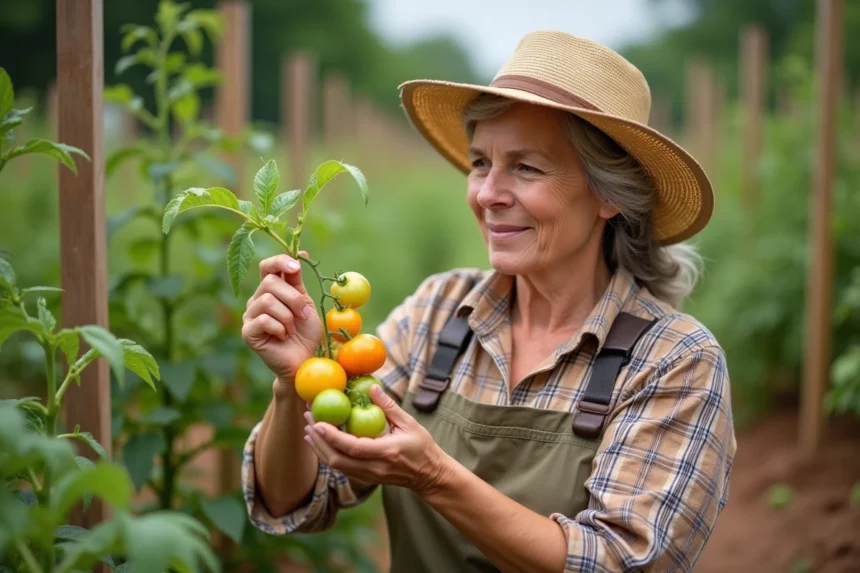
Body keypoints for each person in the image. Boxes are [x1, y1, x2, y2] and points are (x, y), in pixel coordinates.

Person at [239, 30, 736, 572]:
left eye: (526, 167)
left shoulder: (673, 360)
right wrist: (292, 387)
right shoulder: (439, 311)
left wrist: (434, 474)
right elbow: (298, 501)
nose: (488, 194)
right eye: (480, 163)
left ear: (608, 194)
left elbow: (617, 561)